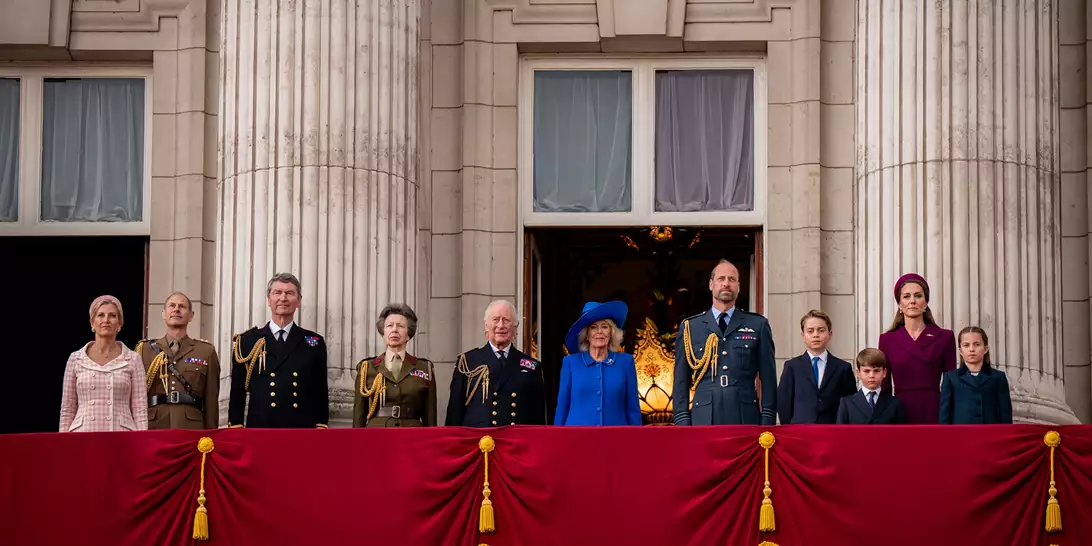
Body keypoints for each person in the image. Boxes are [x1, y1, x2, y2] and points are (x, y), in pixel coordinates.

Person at [672, 259, 777, 426]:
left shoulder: (758, 325)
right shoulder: (690, 327)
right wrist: (682, 421)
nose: (726, 284)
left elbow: (769, 378)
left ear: (739, 286)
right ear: (711, 284)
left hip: (745, 416)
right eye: (721, 279)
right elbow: (681, 381)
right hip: (703, 418)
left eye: (732, 279)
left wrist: (768, 419)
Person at [228, 273, 329, 429]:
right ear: (269, 300)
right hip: (260, 427)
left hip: (301, 427)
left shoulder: (313, 342)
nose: (283, 298)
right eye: (277, 292)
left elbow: (320, 389)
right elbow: (237, 391)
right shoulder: (247, 341)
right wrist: (236, 426)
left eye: (289, 293)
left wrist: (321, 424)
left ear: (299, 301)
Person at [446, 300, 546, 427]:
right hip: (478, 442)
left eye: (506, 320)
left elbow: (537, 419)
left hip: (516, 442)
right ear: (486, 325)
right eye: (495, 319)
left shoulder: (532, 367)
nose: (501, 325)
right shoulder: (467, 363)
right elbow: (454, 414)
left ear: (515, 327)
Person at [59, 296, 148, 432]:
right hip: (84, 433)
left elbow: (139, 408)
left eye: (112, 316)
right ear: (92, 323)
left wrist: (143, 443)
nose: (106, 320)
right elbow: (67, 408)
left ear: (120, 324)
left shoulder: (133, 359)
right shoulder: (76, 359)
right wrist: (62, 443)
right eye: (100, 315)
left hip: (121, 434)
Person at [878, 273, 957, 424]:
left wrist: (949, 418)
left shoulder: (944, 337)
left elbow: (950, 384)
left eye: (918, 296)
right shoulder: (887, 339)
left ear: (926, 302)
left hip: (935, 411)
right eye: (906, 296)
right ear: (900, 304)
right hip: (900, 411)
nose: (912, 301)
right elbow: (885, 385)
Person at [137, 292, 221, 430]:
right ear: (164, 313)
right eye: (172, 306)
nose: (176, 309)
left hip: (191, 426)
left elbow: (211, 400)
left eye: (182, 306)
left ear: (191, 315)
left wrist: (211, 434)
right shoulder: (144, 350)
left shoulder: (206, 351)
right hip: (154, 425)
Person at [554, 301, 641, 426]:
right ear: (586, 334)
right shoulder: (570, 363)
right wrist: (557, 439)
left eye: (604, 326)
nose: (599, 331)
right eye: (593, 327)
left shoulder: (625, 363)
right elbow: (562, 408)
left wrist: (637, 441)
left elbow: (633, 410)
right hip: (576, 439)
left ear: (611, 333)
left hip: (616, 439)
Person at [353, 304, 437, 427]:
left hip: (413, 434)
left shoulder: (424, 368)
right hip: (377, 434)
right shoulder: (367, 367)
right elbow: (359, 415)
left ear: (409, 334)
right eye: (389, 325)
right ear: (383, 333)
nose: (394, 330)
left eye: (400, 326)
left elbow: (430, 416)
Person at [777, 309, 857, 424]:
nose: (815, 335)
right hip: (800, 432)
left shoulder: (843, 368)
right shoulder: (792, 367)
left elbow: (849, 404)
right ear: (803, 335)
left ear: (830, 334)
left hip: (832, 431)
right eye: (810, 331)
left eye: (821, 330)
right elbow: (784, 402)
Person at [939, 326, 1013, 424]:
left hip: (991, 434)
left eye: (977, 344)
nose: (972, 349)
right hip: (961, 435)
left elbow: (1005, 414)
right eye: (966, 345)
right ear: (960, 350)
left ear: (985, 348)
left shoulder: (998, 377)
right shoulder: (951, 378)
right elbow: (945, 414)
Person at [836, 348, 906, 424]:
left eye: (876, 371)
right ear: (858, 373)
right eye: (866, 371)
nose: (871, 376)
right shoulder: (847, 403)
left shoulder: (895, 404)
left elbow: (900, 434)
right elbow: (841, 433)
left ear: (884, 372)